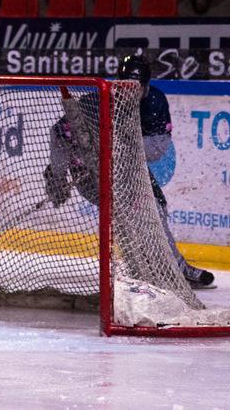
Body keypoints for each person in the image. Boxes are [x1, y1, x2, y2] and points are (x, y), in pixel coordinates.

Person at [44, 54, 214, 288]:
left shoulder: (154, 102)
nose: (130, 93)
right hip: (88, 176)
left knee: (155, 208)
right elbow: (59, 134)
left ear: (146, 85)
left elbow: (157, 148)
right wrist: (57, 174)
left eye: (138, 87)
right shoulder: (95, 102)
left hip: (127, 171)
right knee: (133, 211)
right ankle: (158, 268)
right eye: (126, 86)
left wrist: (114, 149)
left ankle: (171, 268)